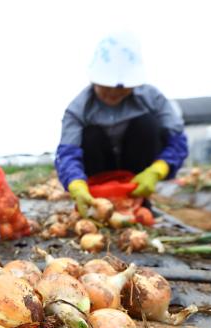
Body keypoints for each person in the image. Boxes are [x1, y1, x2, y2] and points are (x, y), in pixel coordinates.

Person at [55, 32, 188, 218]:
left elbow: (177, 140)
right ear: (94, 80)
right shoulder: (78, 109)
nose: (113, 93)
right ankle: (98, 200)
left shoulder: (152, 98)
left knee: (146, 124)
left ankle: (138, 199)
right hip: (99, 169)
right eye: (106, 86)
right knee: (91, 134)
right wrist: (75, 182)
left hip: (137, 169)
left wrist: (159, 169)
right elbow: (67, 153)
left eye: (121, 88)